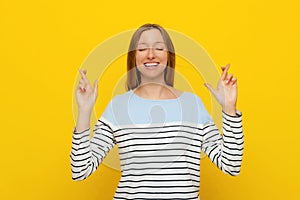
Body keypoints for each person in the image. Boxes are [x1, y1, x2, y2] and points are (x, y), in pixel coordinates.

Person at [70, 23, 243, 200]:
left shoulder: (192, 106)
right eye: (142, 49)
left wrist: (229, 108)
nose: (151, 54)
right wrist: (84, 111)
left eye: (159, 48)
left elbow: (231, 164)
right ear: (133, 58)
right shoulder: (118, 107)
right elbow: (80, 170)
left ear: (169, 55)